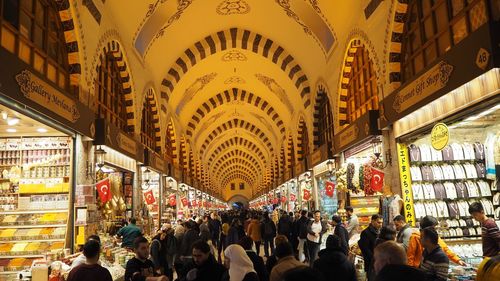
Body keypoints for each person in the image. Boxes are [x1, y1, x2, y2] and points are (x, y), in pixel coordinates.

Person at [358, 214, 382, 281]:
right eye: (378, 222)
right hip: (370, 263)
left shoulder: (380, 232)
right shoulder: (365, 233)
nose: (380, 224)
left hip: (379, 261)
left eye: (381, 223)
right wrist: (374, 259)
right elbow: (365, 249)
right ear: (372, 221)